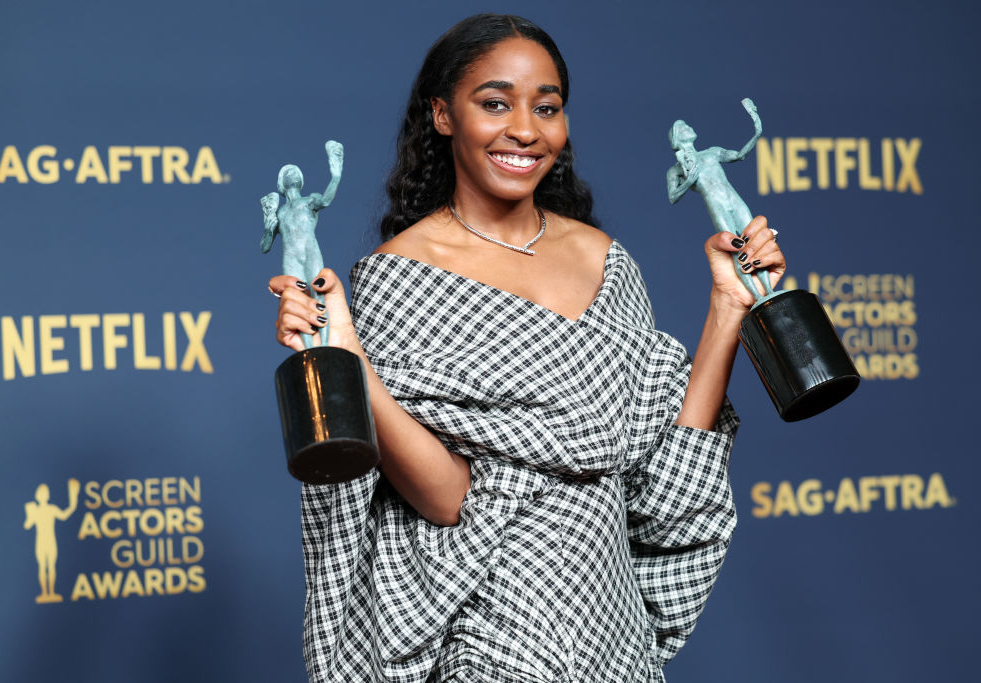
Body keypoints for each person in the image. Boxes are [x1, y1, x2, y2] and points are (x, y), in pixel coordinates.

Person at [269, 13, 784, 683]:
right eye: (494, 102)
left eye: (547, 107)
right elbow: (449, 501)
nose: (525, 128)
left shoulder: (608, 263)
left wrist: (727, 309)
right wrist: (351, 362)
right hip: (493, 641)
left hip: (614, 641)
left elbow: (665, 485)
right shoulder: (396, 278)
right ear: (443, 114)